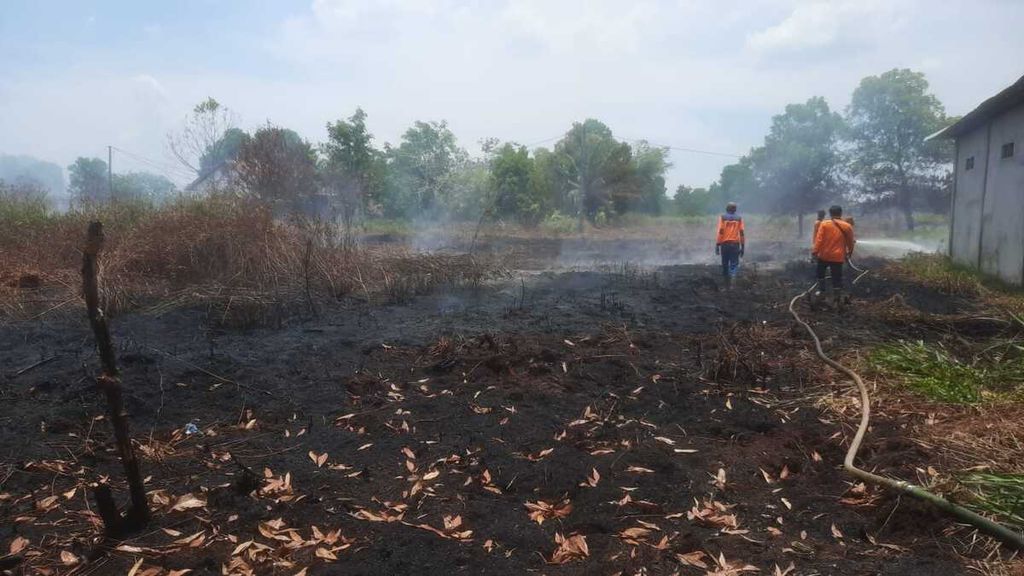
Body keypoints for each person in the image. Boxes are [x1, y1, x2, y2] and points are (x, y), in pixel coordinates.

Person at [812, 205, 855, 304]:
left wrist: (814, 252)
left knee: (820, 273)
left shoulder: (824, 224)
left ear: (830, 213)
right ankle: (837, 296)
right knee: (837, 277)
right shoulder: (847, 226)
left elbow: (819, 240)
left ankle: (822, 291)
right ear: (841, 213)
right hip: (838, 257)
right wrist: (850, 252)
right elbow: (850, 242)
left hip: (824, 255)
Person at [715, 202, 745, 288]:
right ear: (735, 209)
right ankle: (733, 283)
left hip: (724, 244)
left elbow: (721, 231)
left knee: (725, 264)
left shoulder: (723, 218)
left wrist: (717, 244)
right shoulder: (739, 218)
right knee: (734, 264)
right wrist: (743, 247)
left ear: (726, 209)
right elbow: (742, 233)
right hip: (735, 244)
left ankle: (726, 285)